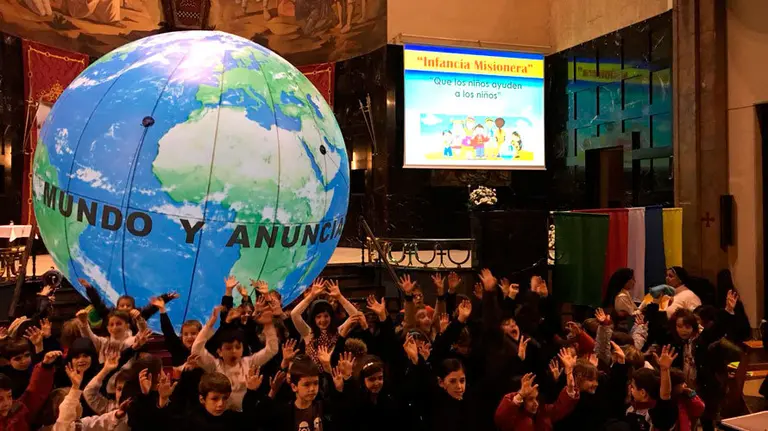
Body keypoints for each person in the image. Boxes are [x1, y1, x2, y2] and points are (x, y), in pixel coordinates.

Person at [191, 298, 279, 411]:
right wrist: (209, 325)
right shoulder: (214, 365)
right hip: (221, 415)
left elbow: (272, 349)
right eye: (228, 348)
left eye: (238, 347)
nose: (234, 351)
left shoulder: (249, 362)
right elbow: (196, 350)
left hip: (246, 414)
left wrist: (268, 325)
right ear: (219, 351)